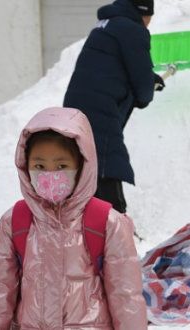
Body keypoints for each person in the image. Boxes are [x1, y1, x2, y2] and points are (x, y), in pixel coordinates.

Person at [0, 107, 147, 329]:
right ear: (25, 167)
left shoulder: (107, 222)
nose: (49, 174)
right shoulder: (15, 222)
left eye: (61, 166)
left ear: (82, 165)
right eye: (39, 166)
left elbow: (126, 297)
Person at [64, 0, 164, 213]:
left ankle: (85, 220)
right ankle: (116, 219)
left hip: (77, 105)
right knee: (106, 161)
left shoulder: (105, 25)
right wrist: (146, 93)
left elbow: (112, 68)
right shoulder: (133, 30)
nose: (148, 23)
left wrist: (150, 79)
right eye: (149, 18)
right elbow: (141, 80)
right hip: (99, 110)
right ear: (143, 12)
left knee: (86, 161)